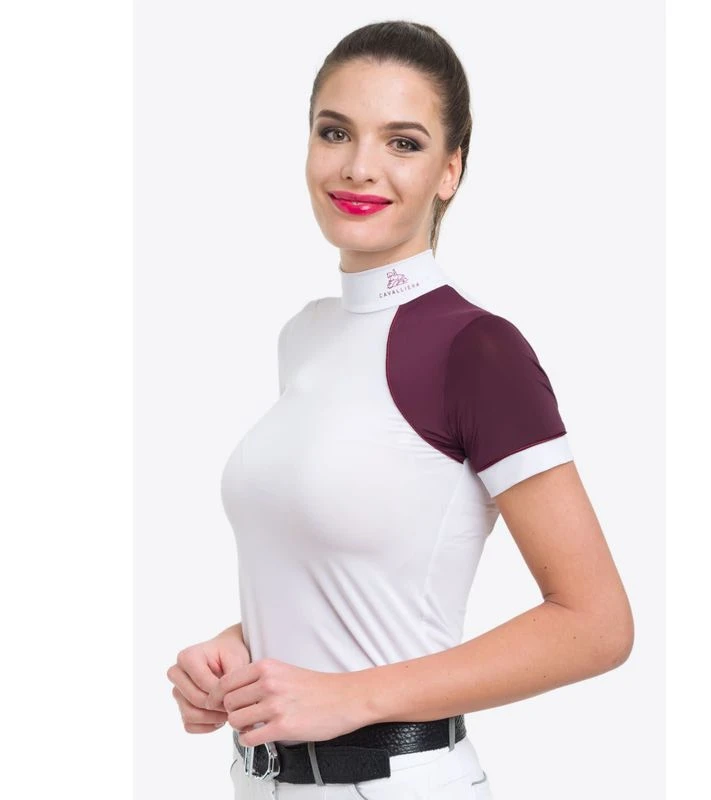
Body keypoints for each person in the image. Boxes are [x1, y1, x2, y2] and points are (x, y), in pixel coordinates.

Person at [166, 19, 634, 799]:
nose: (359, 166)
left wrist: (352, 698)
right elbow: (358, 579)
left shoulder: (477, 349)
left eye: (403, 143)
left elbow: (595, 623)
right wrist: (237, 650)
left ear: (450, 171)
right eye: (335, 132)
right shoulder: (306, 336)